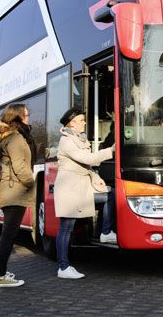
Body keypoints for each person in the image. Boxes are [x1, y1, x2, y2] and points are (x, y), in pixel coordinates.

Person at [54, 107, 115, 279]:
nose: (83, 123)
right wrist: (110, 151)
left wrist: (97, 179)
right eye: (81, 120)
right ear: (72, 123)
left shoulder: (78, 139)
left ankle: (105, 232)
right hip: (70, 189)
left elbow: (84, 166)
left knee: (110, 194)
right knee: (66, 228)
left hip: (79, 187)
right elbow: (87, 159)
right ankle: (63, 267)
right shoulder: (67, 141)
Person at [0, 103, 36, 287]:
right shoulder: (15, 137)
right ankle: (0, 277)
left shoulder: (4, 135)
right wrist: (32, 183)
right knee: (9, 234)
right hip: (14, 189)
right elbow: (20, 166)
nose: (28, 117)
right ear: (18, 116)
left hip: (7, 188)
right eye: (26, 114)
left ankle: (1, 273)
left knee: (7, 233)